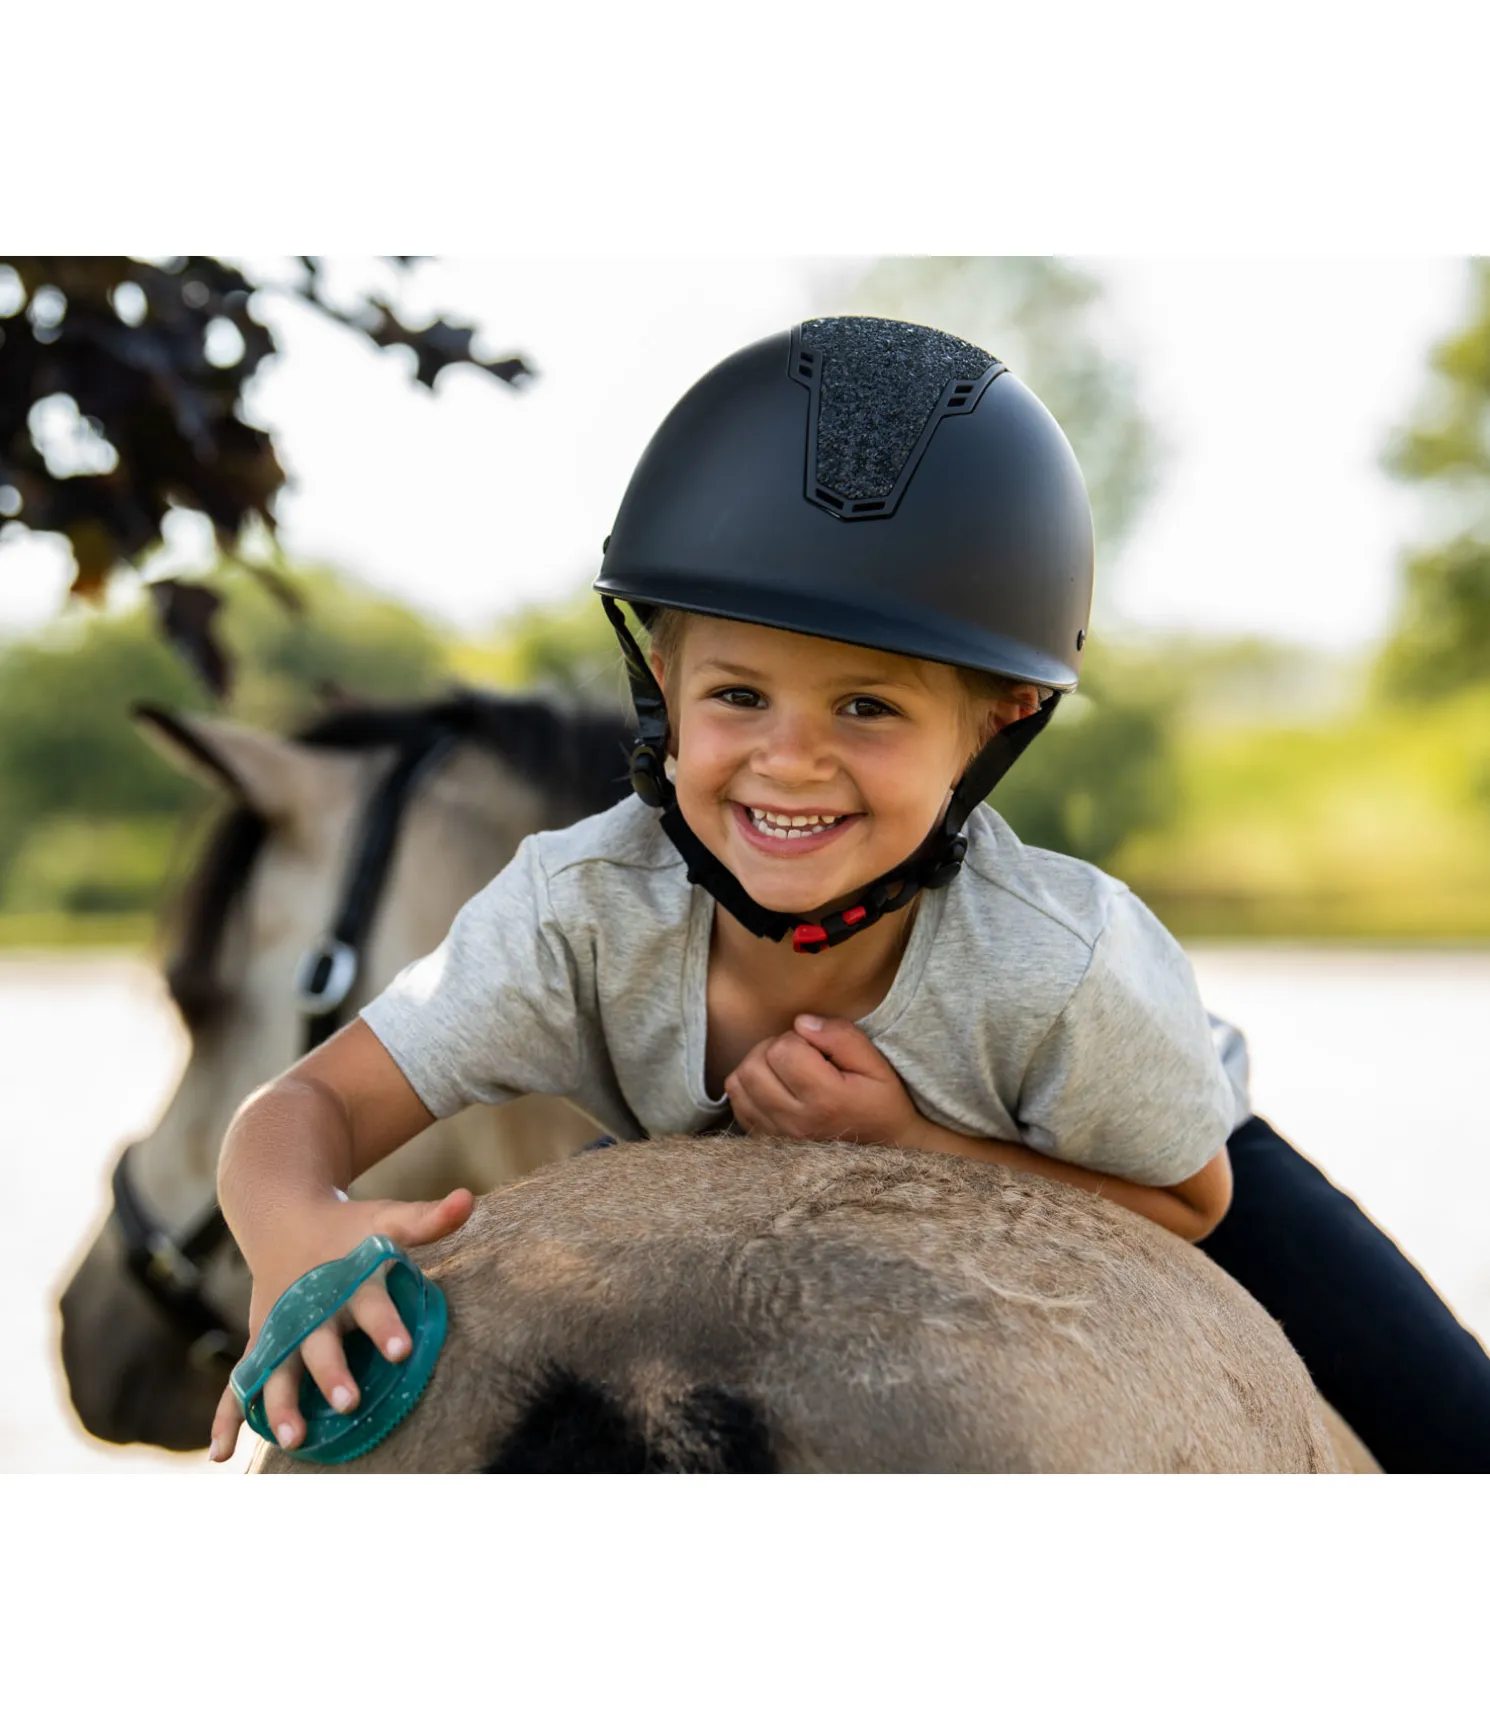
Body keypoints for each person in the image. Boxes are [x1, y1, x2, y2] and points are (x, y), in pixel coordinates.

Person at [209, 316, 1490, 1471]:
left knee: (1455, 1429)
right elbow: (301, 1104)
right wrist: (292, 1226)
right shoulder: (574, 908)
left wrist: (907, 1146)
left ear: (1000, 719)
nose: (789, 757)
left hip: (1121, 1136)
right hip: (718, 1158)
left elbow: (1191, 1199)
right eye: (736, 695)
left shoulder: (1066, 963)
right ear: (660, 678)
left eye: (866, 706)